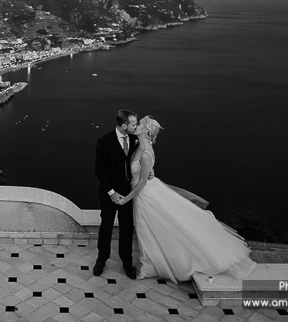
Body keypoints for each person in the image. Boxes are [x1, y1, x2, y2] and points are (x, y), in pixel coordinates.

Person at [121, 116, 256, 283]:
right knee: (151, 231)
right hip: (146, 191)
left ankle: (150, 267)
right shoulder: (140, 144)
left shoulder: (146, 152)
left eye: (140, 123)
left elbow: (141, 182)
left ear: (146, 131)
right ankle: (152, 264)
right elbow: (144, 173)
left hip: (145, 196)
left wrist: (126, 199)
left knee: (147, 231)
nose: (137, 125)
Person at [93, 109, 138, 277]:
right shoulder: (104, 142)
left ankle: (127, 262)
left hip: (128, 194)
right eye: (133, 124)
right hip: (108, 193)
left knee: (127, 228)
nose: (136, 126)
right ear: (124, 125)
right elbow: (99, 170)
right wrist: (111, 192)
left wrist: (149, 172)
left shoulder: (135, 139)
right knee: (106, 227)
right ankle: (101, 258)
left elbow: (140, 161)